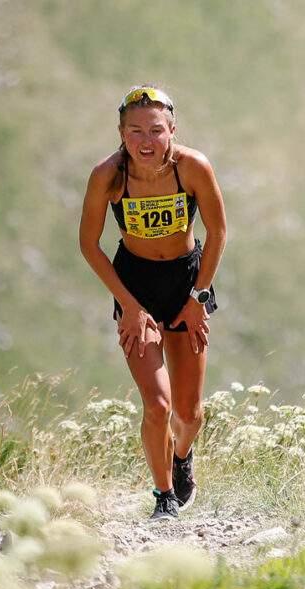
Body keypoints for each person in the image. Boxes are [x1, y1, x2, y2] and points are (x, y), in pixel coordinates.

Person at [79, 85, 227, 521]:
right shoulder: (107, 176)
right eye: (135, 131)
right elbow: (89, 245)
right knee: (157, 406)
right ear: (121, 133)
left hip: (186, 280)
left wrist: (199, 298)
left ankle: (183, 458)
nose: (146, 141)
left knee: (189, 412)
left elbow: (218, 233)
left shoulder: (193, 167)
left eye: (156, 131)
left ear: (172, 130)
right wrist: (127, 304)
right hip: (135, 283)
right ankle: (163, 498)